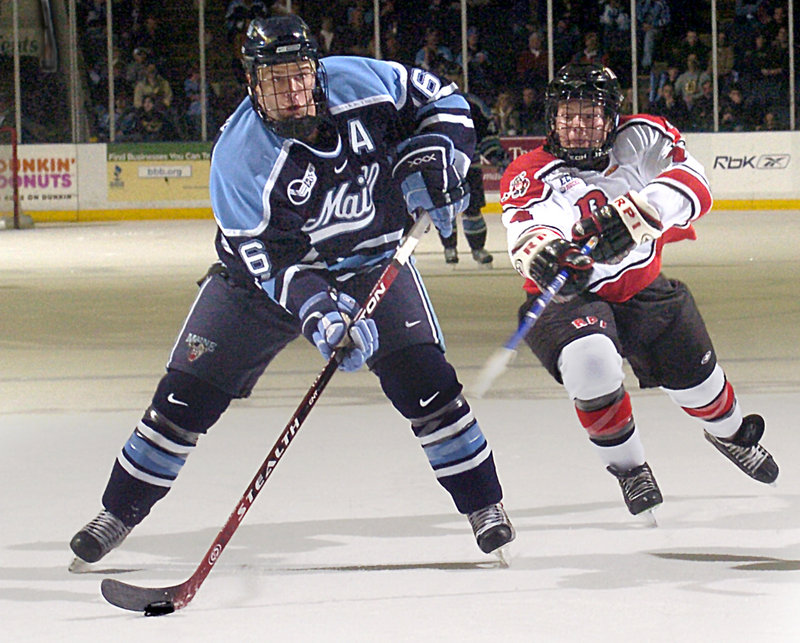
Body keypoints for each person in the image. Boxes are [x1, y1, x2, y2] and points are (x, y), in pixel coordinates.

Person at [69, 15, 515, 567]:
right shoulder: (240, 159)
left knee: (429, 387)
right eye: (273, 80)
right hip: (256, 285)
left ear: (316, 70)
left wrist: (444, 154)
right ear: (252, 84)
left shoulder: (362, 82)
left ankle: (484, 507)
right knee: (182, 402)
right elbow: (273, 266)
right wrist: (323, 316)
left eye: (298, 75)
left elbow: (445, 100)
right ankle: (118, 511)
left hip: (372, 262)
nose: (289, 92)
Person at [497, 62, 779, 518]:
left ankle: (729, 433)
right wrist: (547, 253)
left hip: (646, 291)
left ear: (611, 117)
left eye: (590, 116)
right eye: (568, 116)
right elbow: (526, 229)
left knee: (703, 391)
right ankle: (629, 467)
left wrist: (640, 214)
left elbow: (696, 182)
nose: (577, 127)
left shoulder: (642, 138)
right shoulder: (530, 172)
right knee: (591, 362)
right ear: (552, 118)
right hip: (575, 300)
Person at [436, 62, 511, 266]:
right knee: (446, 210)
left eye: (456, 77)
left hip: (470, 167)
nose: (453, 81)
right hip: (443, 168)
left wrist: (495, 155)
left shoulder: (473, 104)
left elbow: (487, 134)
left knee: (473, 209)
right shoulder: (430, 104)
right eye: (448, 76)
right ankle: (449, 248)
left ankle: (478, 249)